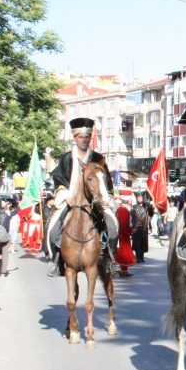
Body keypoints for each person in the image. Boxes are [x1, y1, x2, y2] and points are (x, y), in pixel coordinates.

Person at [47, 117, 118, 277]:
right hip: (71, 200)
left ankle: (110, 259)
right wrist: (66, 196)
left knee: (112, 226)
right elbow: (59, 180)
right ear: (75, 137)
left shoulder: (98, 158)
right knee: (54, 228)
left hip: (96, 201)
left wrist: (103, 198)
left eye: (87, 137)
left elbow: (106, 181)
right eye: (81, 137)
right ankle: (56, 260)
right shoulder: (66, 158)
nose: (84, 140)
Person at [115, 198, 135, 277]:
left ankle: (123, 269)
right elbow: (123, 224)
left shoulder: (120, 209)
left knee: (122, 252)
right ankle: (123, 270)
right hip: (123, 235)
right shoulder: (124, 211)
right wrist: (130, 232)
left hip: (121, 233)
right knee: (124, 253)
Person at [131, 193, 149, 264]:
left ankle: (142, 257)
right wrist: (132, 226)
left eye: (141, 198)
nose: (139, 199)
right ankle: (138, 258)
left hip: (144, 228)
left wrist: (150, 206)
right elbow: (132, 218)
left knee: (143, 243)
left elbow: (151, 213)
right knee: (137, 243)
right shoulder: (134, 207)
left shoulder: (146, 207)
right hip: (137, 228)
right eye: (138, 198)